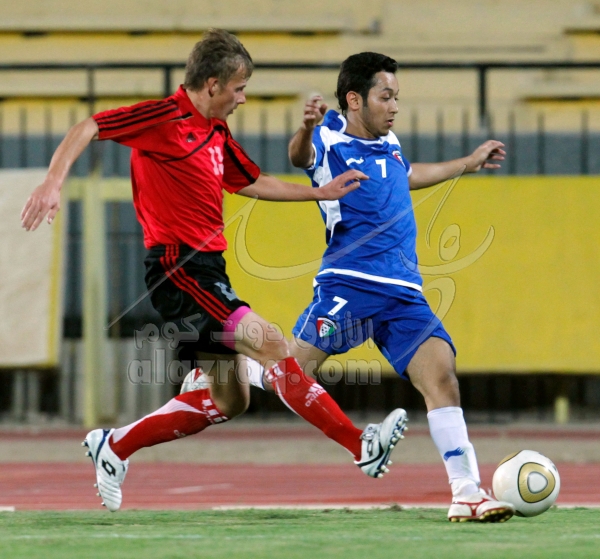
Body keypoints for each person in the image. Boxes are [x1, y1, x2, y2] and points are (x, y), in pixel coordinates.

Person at [20, 31, 407, 513]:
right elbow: (89, 126)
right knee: (270, 342)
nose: (243, 98)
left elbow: (253, 181)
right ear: (211, 85)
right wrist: (52, 183)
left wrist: (320, 193)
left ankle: (114, 446)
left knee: (230, 401)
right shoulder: (163, 117)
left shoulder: (216, 132)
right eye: (239, 89)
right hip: (178, 268)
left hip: (208, 270)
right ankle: (360, 445)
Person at [282, 52, 515, 523]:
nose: (393, 107)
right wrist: (305, 129)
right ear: (354, 100)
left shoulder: (388, 142)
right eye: (385, 96)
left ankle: (467, 492)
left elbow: (406, 176)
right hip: (351, 283)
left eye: (396, 97)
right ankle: (232, 374)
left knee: (442, 376)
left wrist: (467, 164)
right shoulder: (329, 135)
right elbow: (299, 158)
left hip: (404, 292)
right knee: (290, 372)